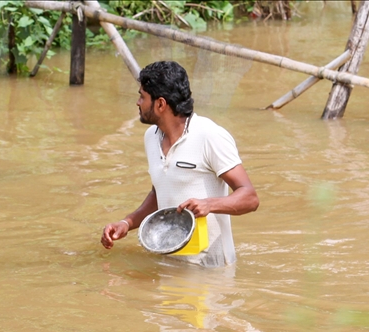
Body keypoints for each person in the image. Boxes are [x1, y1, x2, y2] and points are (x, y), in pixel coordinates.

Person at [101, 61, 259, 267]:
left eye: (142, 96)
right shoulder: (151, 137)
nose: (138, 102)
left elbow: (250, 197)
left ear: (160, 104)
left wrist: (209, 204)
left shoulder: (209, 136)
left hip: (212, 269)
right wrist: (126, 223)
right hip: (168, 264)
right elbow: (160, 193)